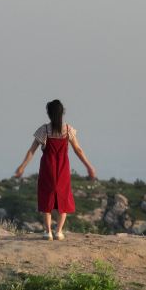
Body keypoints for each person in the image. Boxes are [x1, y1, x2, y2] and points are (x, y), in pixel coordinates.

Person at [14, 99, 96, 241]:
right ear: (62, 112)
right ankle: (58, 231)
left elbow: (31, 151)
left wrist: (22, 166)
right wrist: (89, 167)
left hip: (47, 168)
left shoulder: (44, 130)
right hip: (63, 169)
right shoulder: (69, 129)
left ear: (49, 113)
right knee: (63, 198)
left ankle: (48, 232)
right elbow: (78, 150)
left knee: (46, 198)